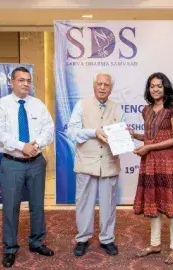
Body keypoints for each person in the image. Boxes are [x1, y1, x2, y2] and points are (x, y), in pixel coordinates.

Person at [0, 67, 55, 268]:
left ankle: (37, 242)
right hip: (12, 163)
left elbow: (49, 129)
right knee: (11, 207)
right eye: (21, 80)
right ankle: (10, 248)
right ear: (12, 82)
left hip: (36, 162)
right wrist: (22, 146)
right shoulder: (1, 105)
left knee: (37, 206)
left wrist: (36, 145)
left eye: (28, 80)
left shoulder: (37, 104)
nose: (26, 84)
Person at [131, 72, 173, 265]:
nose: (155, 89)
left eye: (159, 85)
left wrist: (149, 147)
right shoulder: (146, 110)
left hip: (170, 161)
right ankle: (155, 244)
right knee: (154, 204)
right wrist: (135, 135)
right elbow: (151, 136)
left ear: (166, 87)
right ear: (148, 89)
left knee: (171, 205)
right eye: (152, 86)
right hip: (151, 162)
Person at [67, 71, 124, 257]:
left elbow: (120, 135)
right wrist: (93, 132)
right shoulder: (81, 105)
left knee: (108, 204)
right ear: (93, 86)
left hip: (109, 162)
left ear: (111, 88)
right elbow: (72, 132)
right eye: (99, 84)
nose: (102, 87)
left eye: (106, 85)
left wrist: (124, 136)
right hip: (86, 162)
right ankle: (83, 238)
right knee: (84, 202)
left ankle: (107, 239)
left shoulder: (117, 108)